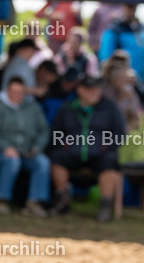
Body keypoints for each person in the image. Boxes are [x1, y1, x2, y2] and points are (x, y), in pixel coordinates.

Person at [49, 75, 125, 221]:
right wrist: (63, 145)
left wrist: (108, 146)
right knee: (57, 156)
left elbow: (119, 133)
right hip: (72, 153)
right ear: (80, 90)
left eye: (97, 89)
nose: (94, 92)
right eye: (89, 89)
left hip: (100, 154)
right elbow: (55, 133)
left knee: (111, 161)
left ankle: (105, 206)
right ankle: (61, 200)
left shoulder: (109, 107)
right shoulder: (68, 108)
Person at [0, 77, 53, 216]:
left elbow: (44, 130)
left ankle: (35, 202)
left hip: (26, 150)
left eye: (20, 93)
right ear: (7, 90)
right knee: (12, 161)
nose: (16, 96)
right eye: (13, 92)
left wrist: (37, 147)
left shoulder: (32, 107)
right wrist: (5, 147)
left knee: (42, 162)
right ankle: (2, 199)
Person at [98, 3, 144, 82]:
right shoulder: (114, 31)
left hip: (143, 80)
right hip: (124, 81)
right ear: (123, 7)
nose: (131, 10)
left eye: (134, 7)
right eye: (129, 6)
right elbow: (105, 59)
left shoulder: (141, 29)